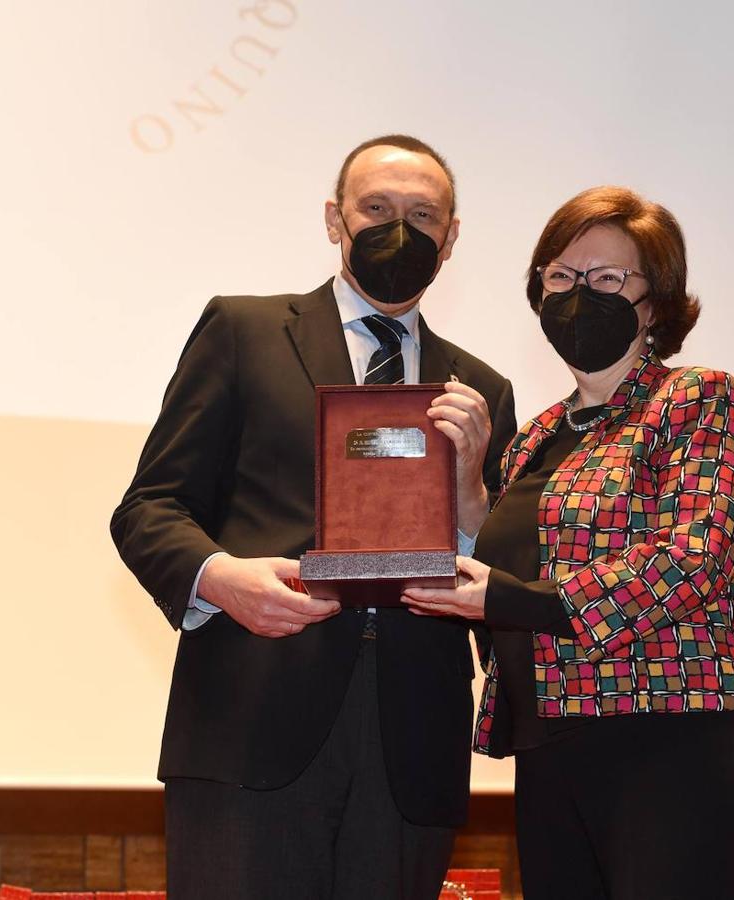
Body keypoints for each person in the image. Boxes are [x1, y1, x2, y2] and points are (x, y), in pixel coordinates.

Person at [110, 134, 516, 899]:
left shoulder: (482, 390)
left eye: (422, 215)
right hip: (250, 724)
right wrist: (220, 579)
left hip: (411, 746)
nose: (399, 228)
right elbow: (148, 508)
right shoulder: (243, 331)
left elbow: (496, 582)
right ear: (335, 219)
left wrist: (470, 496)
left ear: (451, 238)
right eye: (376, 208)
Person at [402, 186, 734, 899]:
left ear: (655, 302)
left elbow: (694, 554)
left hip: (669, 737)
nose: (579, 294)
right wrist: (468, 487)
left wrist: (514, 599)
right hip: (550, 743)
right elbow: (508, 567)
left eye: (606, 279)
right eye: (561, 277)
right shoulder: (534, 436)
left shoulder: (696, 398)